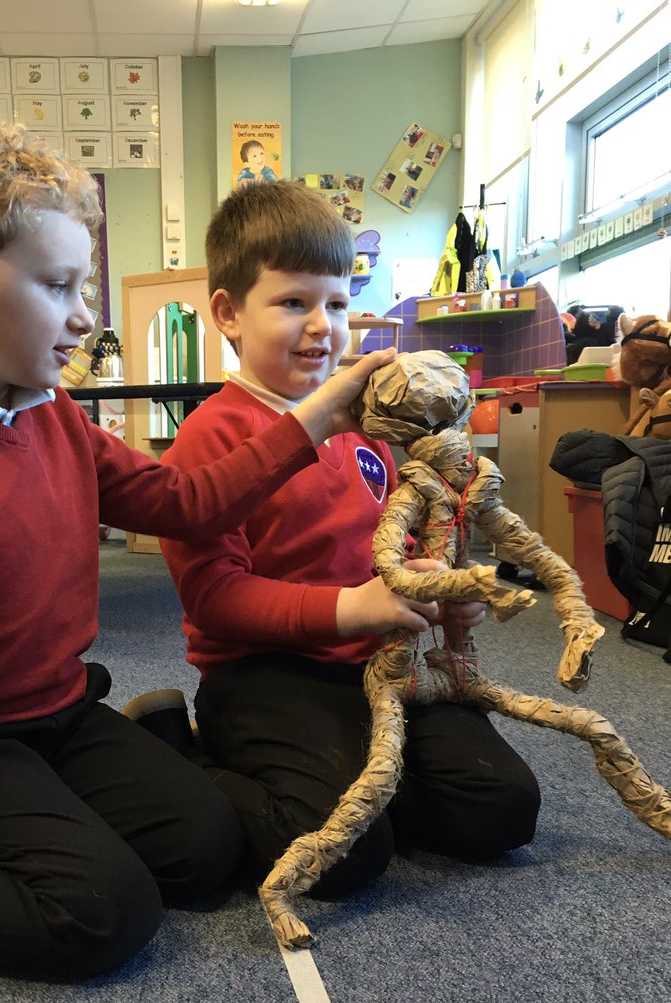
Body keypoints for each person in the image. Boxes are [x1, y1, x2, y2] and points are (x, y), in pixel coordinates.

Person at [0, 117, 392, 1003]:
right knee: (102, 913)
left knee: (204, 847)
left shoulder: (47, 409)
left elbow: (185, 504)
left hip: (56, 713)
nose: (85, 314)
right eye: (58, 284)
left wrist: (314, 419)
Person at [153, 180, 541, 899]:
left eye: (335, 304)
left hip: (375, 668)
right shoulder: (213, 437)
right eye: (293, 302)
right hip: (263, 674)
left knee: (503, 808)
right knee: (344, 856)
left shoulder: (368, 431)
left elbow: (387, 547)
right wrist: (351, 610)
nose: (322, 326)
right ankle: (181, 754)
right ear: (229, 314)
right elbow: (213, 599)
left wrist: (437, 588)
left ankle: (359, 783)